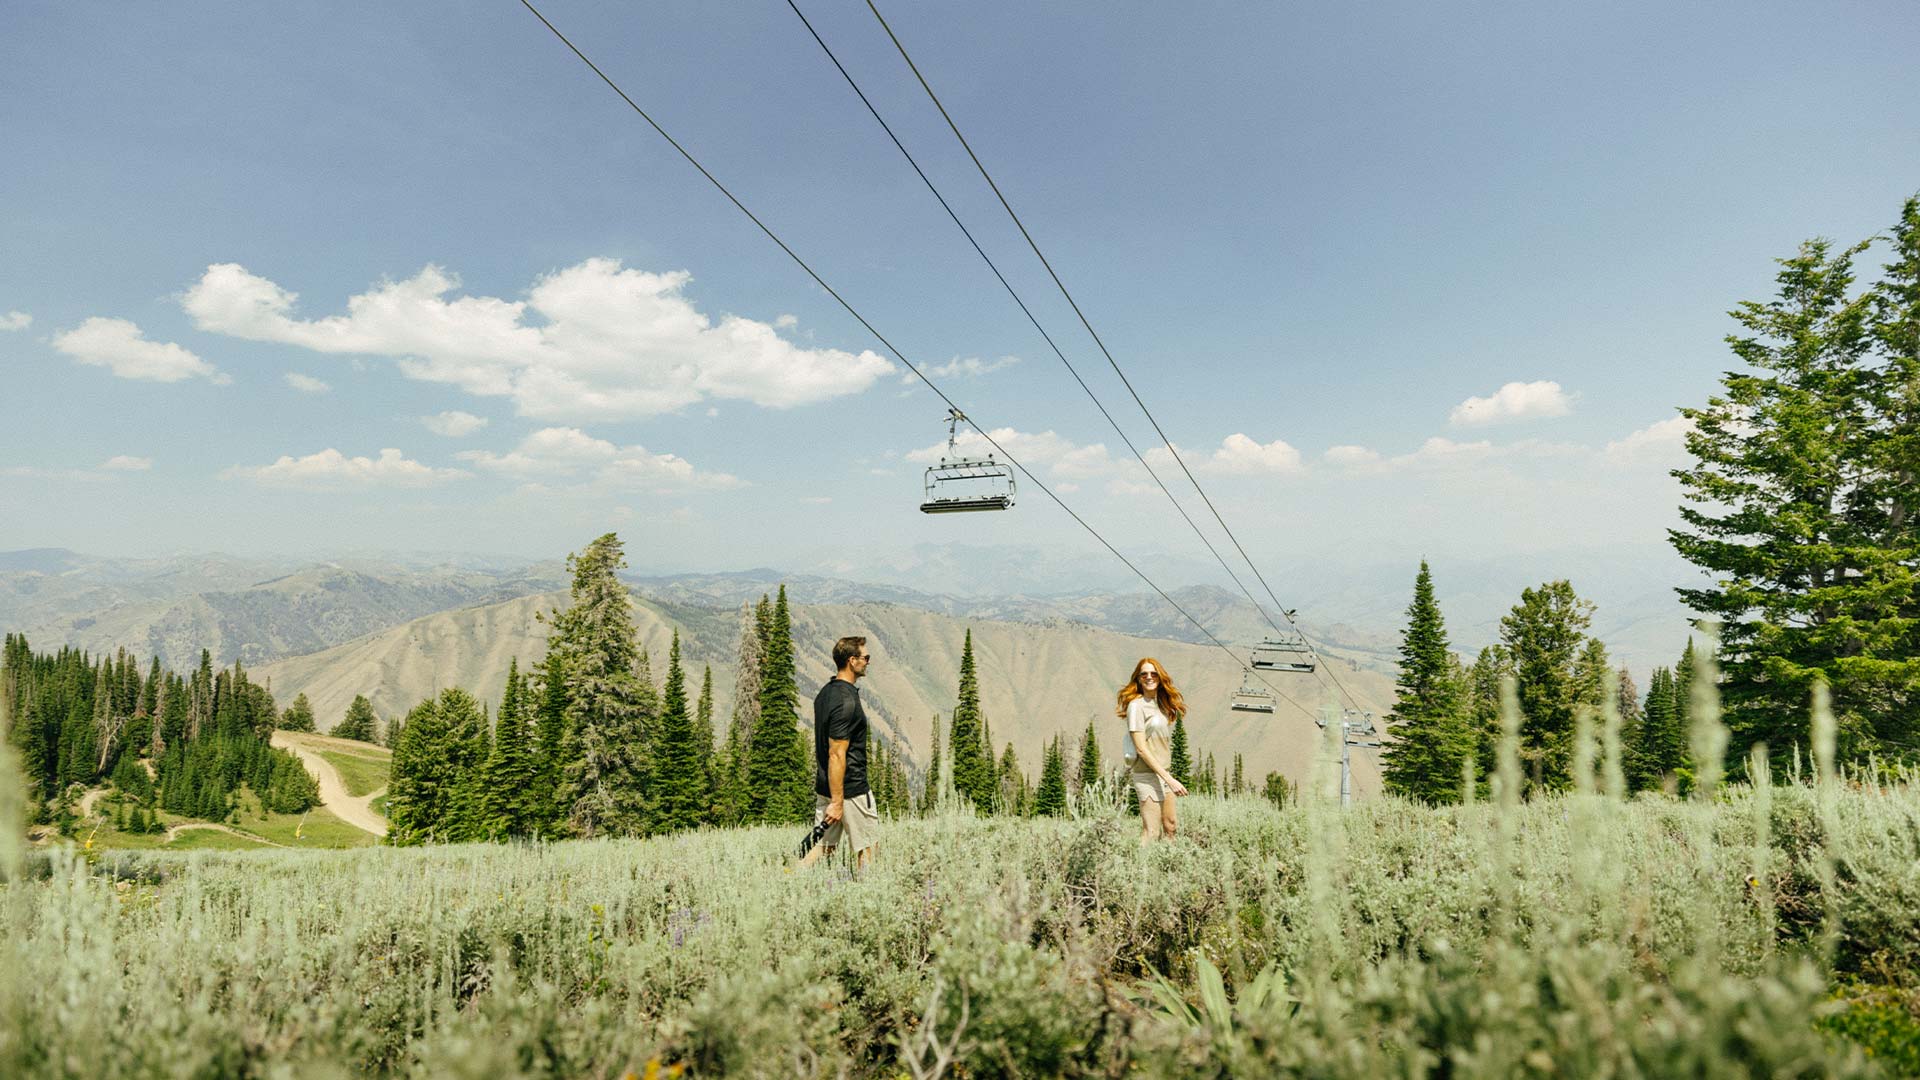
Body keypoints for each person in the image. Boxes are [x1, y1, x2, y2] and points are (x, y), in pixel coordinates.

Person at [801, 635, 878, 871]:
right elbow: (836, 754)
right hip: (850, 789)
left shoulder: (825, 693)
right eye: (865, 657)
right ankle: (869, 895)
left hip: (826, 786)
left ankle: (789, 881)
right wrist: (837, 802)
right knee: (867, 849)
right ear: (852, 660)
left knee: (822, 846)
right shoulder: (846, 701)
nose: (868, 662)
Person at [1119, 657, 1188, 842]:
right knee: (1151, 831)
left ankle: (1169, 868)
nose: (1149, 677)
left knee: (1171, 826)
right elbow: (1141, 749)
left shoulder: (1159, 704)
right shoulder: (1136, 706)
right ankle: (1140, 869)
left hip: (1163, 772)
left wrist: (1167, 776)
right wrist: (1170, 780)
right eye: (1144, 674)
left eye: (1153, 673)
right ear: (1138, 679)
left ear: (1160, 677)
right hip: (1147, 774)